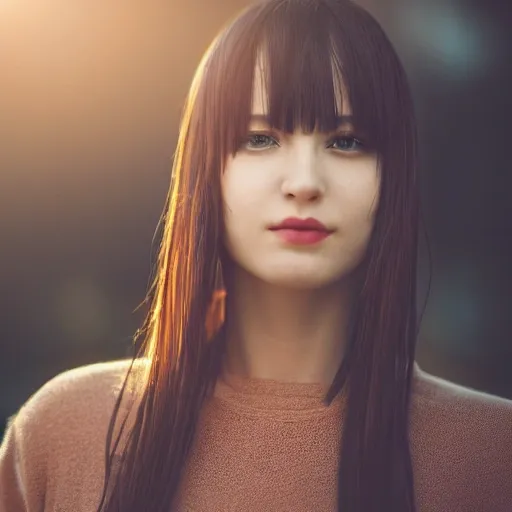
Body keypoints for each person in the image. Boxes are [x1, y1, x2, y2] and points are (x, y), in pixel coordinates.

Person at [1, 0, 511, 511]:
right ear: (205, 169)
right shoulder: (63, 433)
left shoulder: (491, 455)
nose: (305, 183)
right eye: (260, 138)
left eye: (348, 141)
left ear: (395, 173)